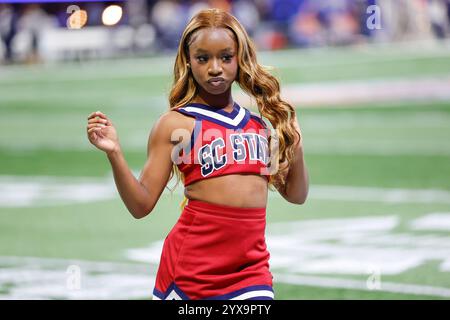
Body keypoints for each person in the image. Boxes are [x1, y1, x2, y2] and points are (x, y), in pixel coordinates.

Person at [86, 8, 308, 300]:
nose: (215, 68)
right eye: (203, 58)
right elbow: (141, 206)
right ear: (188, 62)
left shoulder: (260, 127)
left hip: (251, 272)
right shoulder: (175, 124)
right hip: (191, 275)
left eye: (226, 57)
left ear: (239, 59)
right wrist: (114, 153)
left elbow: (296, 194)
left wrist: (296, 142)